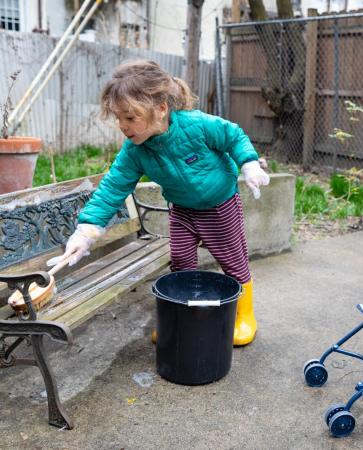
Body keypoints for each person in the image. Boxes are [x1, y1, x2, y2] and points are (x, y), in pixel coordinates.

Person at [48, 60, 270, 346]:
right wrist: (86, 232)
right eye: (119, 118)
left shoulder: (197, 125)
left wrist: (249, 164)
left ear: (161, 109)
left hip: (219, 206)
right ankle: (184, 319)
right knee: (181, 262)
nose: (123, 127)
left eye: (130, 118)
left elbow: (234, 136)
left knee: (232, 260)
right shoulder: (135, 151)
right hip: (181, 210)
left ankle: (245, 316)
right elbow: (113, 187)